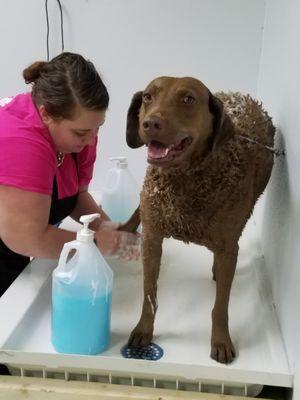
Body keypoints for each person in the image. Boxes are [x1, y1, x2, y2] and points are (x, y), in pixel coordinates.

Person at [0, 52, 139, 297]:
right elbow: (26, 238)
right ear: (46, 114)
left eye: (98, 128)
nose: (90, 140)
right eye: (80, 132)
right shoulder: (21, 141)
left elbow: (75, 194)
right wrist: (96, 244)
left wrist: (107, 227)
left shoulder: (80, 136)